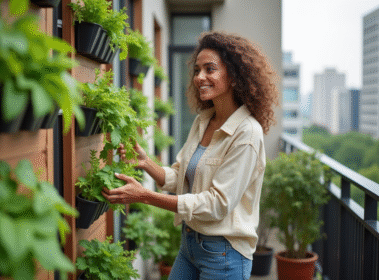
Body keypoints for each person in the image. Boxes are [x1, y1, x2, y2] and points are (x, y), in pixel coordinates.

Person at [102, 31, 279, 279]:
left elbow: (217, 204)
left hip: (225, 254)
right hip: (190, 244)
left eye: (210, 69)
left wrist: (145, 196)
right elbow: (182, 177)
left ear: (234, 75)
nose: (200, 77)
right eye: (197, 70)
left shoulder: (247, 133)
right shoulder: (203, 121)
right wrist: (145, 163)